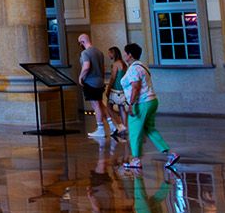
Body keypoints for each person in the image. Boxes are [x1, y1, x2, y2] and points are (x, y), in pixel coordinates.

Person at [116, 42, 178, 171]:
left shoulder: (133, 68)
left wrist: (131, 104)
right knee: (150, 129)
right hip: (151, 101)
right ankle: (170, 154)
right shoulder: (142, 65)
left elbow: (136, 87)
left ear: (130, 55)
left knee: (134, 132)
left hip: (141, 103)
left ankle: (136, 160)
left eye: (125, 53)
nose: (124, 56)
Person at [75, 33, 113, 139]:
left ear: (82, 42)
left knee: (95, 105)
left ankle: (100, 128)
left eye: (80, 43)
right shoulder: (99, 52)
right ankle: (112, 125)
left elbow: (86, 66)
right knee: (101, 104)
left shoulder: (85, 53)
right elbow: (102, 68)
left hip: (91, 82)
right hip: (100, 81)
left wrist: (80, 77)